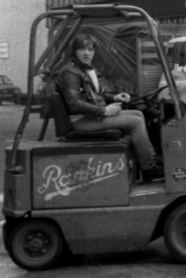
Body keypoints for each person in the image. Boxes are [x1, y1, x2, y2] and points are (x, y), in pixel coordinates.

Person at [57, 34, 164, 182]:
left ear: (95, 51)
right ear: (74, 51)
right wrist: (105, 111)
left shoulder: (84, 69)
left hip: (90, 115)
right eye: (82, 49)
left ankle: (148, 158)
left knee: (139, 114)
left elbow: (95, 94)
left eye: (90, 49)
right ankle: (148, 168)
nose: (86, 53)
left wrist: (115, 98)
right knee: (135, 122)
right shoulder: (71, 72)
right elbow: (74, 104)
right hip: (79, 120)